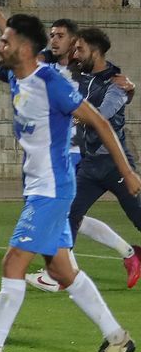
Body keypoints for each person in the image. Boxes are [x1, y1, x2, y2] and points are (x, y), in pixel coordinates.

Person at [0, 0, 139, 352]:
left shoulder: (51, 81)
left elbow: (100, 122)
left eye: (5, 40)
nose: (0, 45)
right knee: (61, 271)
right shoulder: (16, 75)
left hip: (53, 189)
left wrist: (130, 172)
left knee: (12, 263)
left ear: (23, 47)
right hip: (40, 187)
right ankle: (118, 339)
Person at [40, 28, 141, 291]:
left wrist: (69, 118)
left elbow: (102, 117)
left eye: (80, 49)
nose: (76, 53)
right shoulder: (82, 76)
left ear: (95, 51)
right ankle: (59, 273)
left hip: (115, 163)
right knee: (68, 213)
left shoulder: (115, 82)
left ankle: (134, 255)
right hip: (90, 164)